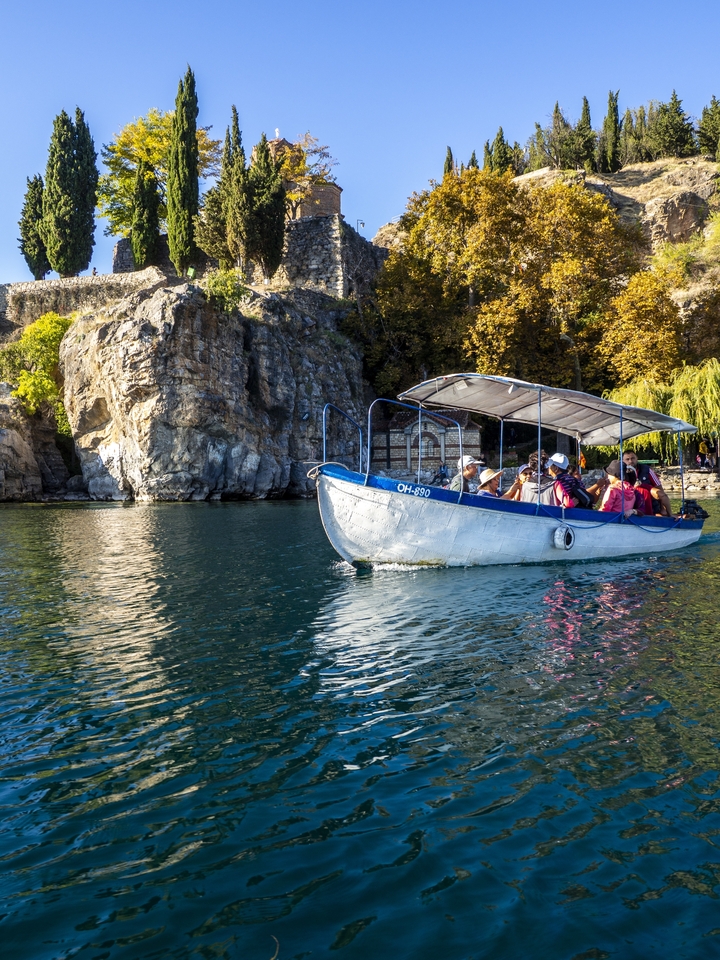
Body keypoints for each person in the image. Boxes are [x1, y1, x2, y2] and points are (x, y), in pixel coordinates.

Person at [621, 451, 672, 517]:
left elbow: (660, 489)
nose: (630, 461)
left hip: (650, 504)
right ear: (622, 461)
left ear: (637, 458)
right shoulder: (619, 472)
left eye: (633, 458)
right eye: (627, 459)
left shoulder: (647, 470)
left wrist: (663, 509)